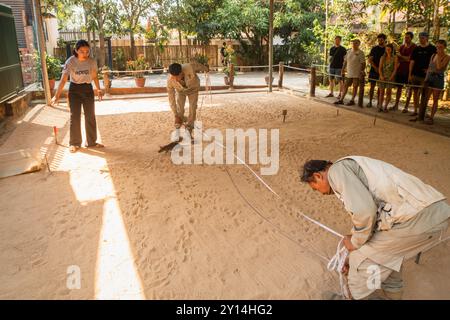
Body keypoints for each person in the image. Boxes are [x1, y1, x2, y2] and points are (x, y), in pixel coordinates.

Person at [300, 156, 450, 300]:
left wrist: (354, 243)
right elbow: (372, 216)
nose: (320, 192)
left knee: (362, 259)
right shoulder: (350, 168)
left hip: (419, 217)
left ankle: (354, 297)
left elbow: (365, 212)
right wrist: (354, 238)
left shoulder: (337, 171)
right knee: (384, 256)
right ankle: (393, 297)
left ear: (318, 176)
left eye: (315, 188)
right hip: (432, 213)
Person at [51, 40, 104, 153]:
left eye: (87, 51)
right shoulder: (70, 62)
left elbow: (94, 76)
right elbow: (64, 79)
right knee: (75, 116)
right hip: (74, 90)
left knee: (90, 115)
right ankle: (74, 143)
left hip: (87, 89)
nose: (85, 54)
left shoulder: (92, 61)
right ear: (76, 51)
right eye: (82, 51)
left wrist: (98, 89)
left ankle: (91, 142)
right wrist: (56, 95)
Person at [167, 62, 209, 138]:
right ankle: (178, 131)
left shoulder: (190, 67)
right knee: (180, 109)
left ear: (181, 72)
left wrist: (206, 69)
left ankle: (189, 130)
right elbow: (171, 98)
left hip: (193, 89)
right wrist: (175, 114)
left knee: (193, 108)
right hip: (181, 91)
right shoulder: (170, 80)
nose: (175, 79)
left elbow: (199, 66)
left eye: (177, 76)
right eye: (174, 77)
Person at [416, 40, 450, 125]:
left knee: (435, 99)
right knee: (425, 98)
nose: (438, 48)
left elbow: (439, 67)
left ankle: (431, 117)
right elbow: (429, 68)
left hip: (438, 78)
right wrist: (425, 80)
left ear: (444, 47)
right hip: (430, 77)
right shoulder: (433, 55)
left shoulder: (447, 57)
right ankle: (423, 114)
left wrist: (439, 55)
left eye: (440, 47)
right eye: (437, 47)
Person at [408, 32, 437, 118]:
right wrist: (410, 74)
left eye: (423, 37)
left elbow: (435, 61)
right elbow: (412, 61)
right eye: (420, 37)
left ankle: (423, 111)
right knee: (415, 93)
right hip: (415, 74)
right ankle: (415, 110)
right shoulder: (416, 49)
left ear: (427, 38)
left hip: (426, 76)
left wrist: (430, 70)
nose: (421, 39)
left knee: (424, 94)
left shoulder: (432, 48)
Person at [334, 39, 365, 106]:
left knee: (355, 86)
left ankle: (352, 100)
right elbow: (345, 62)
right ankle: (341, 99)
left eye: (356, 43)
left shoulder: (361, 53)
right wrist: (342, 69)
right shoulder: (348, 52)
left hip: (357, 73)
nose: (354, 44)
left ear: (359, 44)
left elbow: (363, 63)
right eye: (353, 43)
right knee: (345, 86)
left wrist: (361, 71)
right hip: (349, 73)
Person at [393, 32, 416, 112]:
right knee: (399, 88)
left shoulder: (414, 47)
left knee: (409, 89)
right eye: (405, 37)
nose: (406, 39)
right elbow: (397, 58)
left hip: (409, 71)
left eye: (408, 37)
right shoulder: (402, 46)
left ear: (411, 38)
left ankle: (406, 107)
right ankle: (396, 105)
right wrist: (403, 58)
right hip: (400, 70)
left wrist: (402, 57)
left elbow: (410, 59)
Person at [367, 34, 387, 108]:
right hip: (374, 69)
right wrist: (375, 67)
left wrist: (381, 70)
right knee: (372, 86)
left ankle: (379, 102)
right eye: (378, 40)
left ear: (384, 40)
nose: (379, 41)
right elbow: (370, 59)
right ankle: (370, 102)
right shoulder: (374, 48)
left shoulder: (387, 49)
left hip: (383, 71)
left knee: (380, 88)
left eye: (381, 40)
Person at [377, 44, 399, 112]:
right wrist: (381, 76)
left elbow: (395, 69)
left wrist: (391, 77)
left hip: (390, 76)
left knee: (388, 92)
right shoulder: (382, 57)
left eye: (389, 49)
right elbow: (380, 68)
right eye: (386, 49)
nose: (388, 50)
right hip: (382, 76)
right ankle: (380, 106)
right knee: (381, 92)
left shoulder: (395, 57)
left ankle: (385, 106)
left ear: (392, 50)